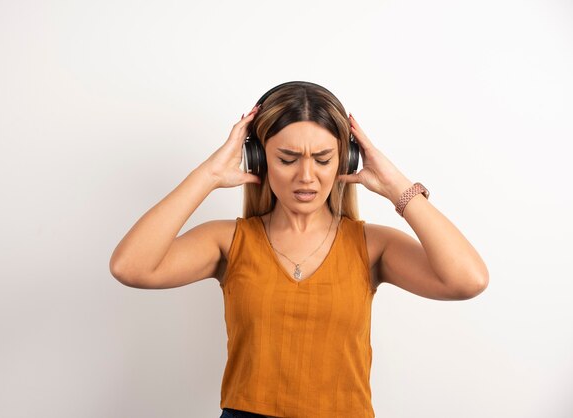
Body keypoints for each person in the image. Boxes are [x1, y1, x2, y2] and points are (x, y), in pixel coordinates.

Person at [109, 81, 489, 418]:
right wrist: (207, 176)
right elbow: (131, 267)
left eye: (323, 159)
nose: (306, 176)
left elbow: (468, 280)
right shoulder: (228, 241)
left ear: (346, 158)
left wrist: (396, 186)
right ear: (258, 158)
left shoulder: (372, 245)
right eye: (287, 159)